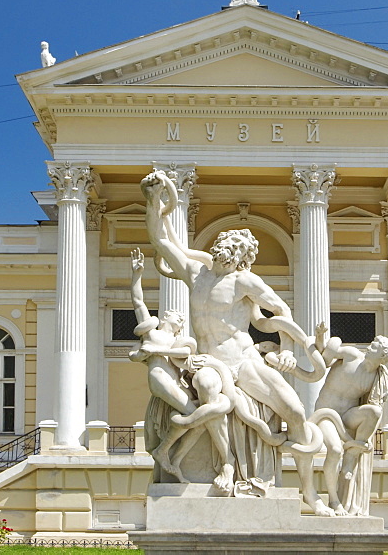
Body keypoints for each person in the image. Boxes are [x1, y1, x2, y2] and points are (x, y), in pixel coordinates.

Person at [141, 170, 332, 513]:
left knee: (296, 410)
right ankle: (227, 465)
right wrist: (154, 199)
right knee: (208, 392)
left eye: (237, 248)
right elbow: (162, 242)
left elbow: (278, 310)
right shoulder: (196, 274)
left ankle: (309, 492)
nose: (229, 249)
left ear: (243, 258)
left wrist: (288, 351)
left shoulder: (245, 281)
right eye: (227, 244)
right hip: (208, 361)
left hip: (243, 360)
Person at [126, 248, 200, 479]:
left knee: (199, 415)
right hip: (159, 377)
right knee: (195, 414)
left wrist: (156, 351)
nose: (177, 315)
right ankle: (164, 451)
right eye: (173, 314)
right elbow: (138, 302)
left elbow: (184, 355)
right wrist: (137, 274)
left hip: (175, 381)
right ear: (164, 317)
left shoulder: (177, 341)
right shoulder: (152, 332)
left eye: (180, 318)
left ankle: (166, 452)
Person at [312, 328, 388, 515]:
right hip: (326, 414)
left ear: (382, 356)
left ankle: (352, 456)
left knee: (374, 411)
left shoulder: (376, 377)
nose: (369, 347)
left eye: (374, 347)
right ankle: (334, 501)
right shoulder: (351, 355)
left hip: (347, 417)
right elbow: (324, 356)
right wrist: (319, 337)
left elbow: (373, 404)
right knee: (334, 449)